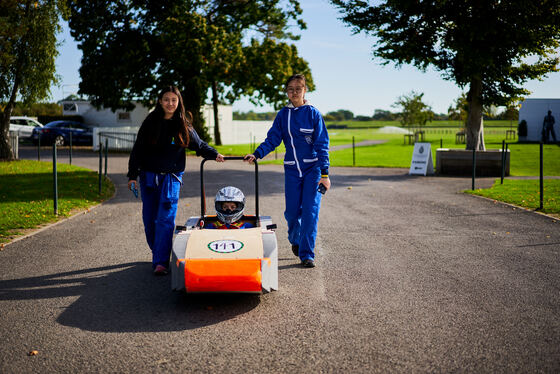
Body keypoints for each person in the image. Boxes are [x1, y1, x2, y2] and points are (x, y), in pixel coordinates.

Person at [127, 85, 225, 275]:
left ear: (178, 101)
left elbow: (199, 145)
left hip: (171, 180)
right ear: (160, 101)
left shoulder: (183, 124)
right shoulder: (150, 122)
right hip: (148, 177)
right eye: (166, 100)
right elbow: (138, 149)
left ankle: (161, 262)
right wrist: (132, 176)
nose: (170, 103)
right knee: (149, 221)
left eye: (174, 100)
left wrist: (214, 154)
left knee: (165, 219)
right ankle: (158, 252)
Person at [244, 74, 330, 268]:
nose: (294, 92)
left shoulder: (313, 114)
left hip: (313, 170)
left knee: (310, 212)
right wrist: (257, 154)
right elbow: (273, 139)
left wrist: (325, 174)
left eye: (298, 88)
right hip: (292, 170)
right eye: (290, 89)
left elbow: (322, 144)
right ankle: (296, 239)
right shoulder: (283, 115)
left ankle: (307, 254)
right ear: (287, 92)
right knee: (291, 213)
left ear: (305, 90)